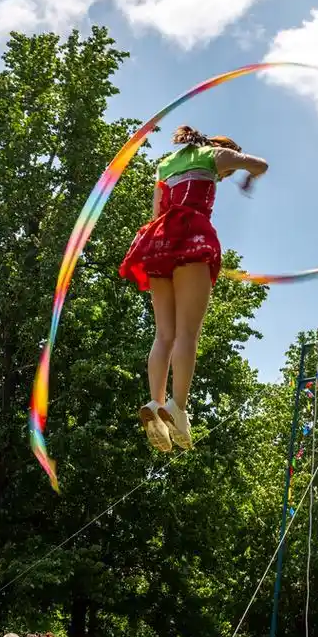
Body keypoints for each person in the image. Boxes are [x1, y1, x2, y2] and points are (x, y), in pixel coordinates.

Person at [118, 124, 268, 452]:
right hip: (192, 236)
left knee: (164, 334)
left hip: (157, 242)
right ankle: (178, 409)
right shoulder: (217, 154)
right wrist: (248, 176)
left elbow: (157, 212)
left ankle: (155, 404)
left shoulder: (166, 163)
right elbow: (260, 164)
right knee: (188, 334)